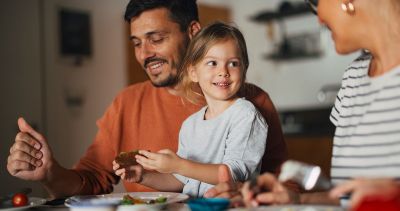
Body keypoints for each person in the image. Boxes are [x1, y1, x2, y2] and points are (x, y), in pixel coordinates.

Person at [6, 0, 287, 199]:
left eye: (156, 38)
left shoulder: (251, 103)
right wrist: (50, 174)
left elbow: (286, 185)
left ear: (192, 32)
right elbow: (90, 180)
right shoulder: (128, 104)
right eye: (137, 43)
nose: (145, 54)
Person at [206, 0, 400, 209]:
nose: (318, 18)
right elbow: (347, 199)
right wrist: (295, 200)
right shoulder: (354, 77)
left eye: (317, 4)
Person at [113, 22, 268, 198]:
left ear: (244, 69)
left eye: (233, 63)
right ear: (193, 72)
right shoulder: (190, 124)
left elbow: (234, 174)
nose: (223, 71)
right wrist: (144, 176)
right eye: (212, 63)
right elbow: (181, 180)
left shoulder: (245, 115)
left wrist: (179, 165)